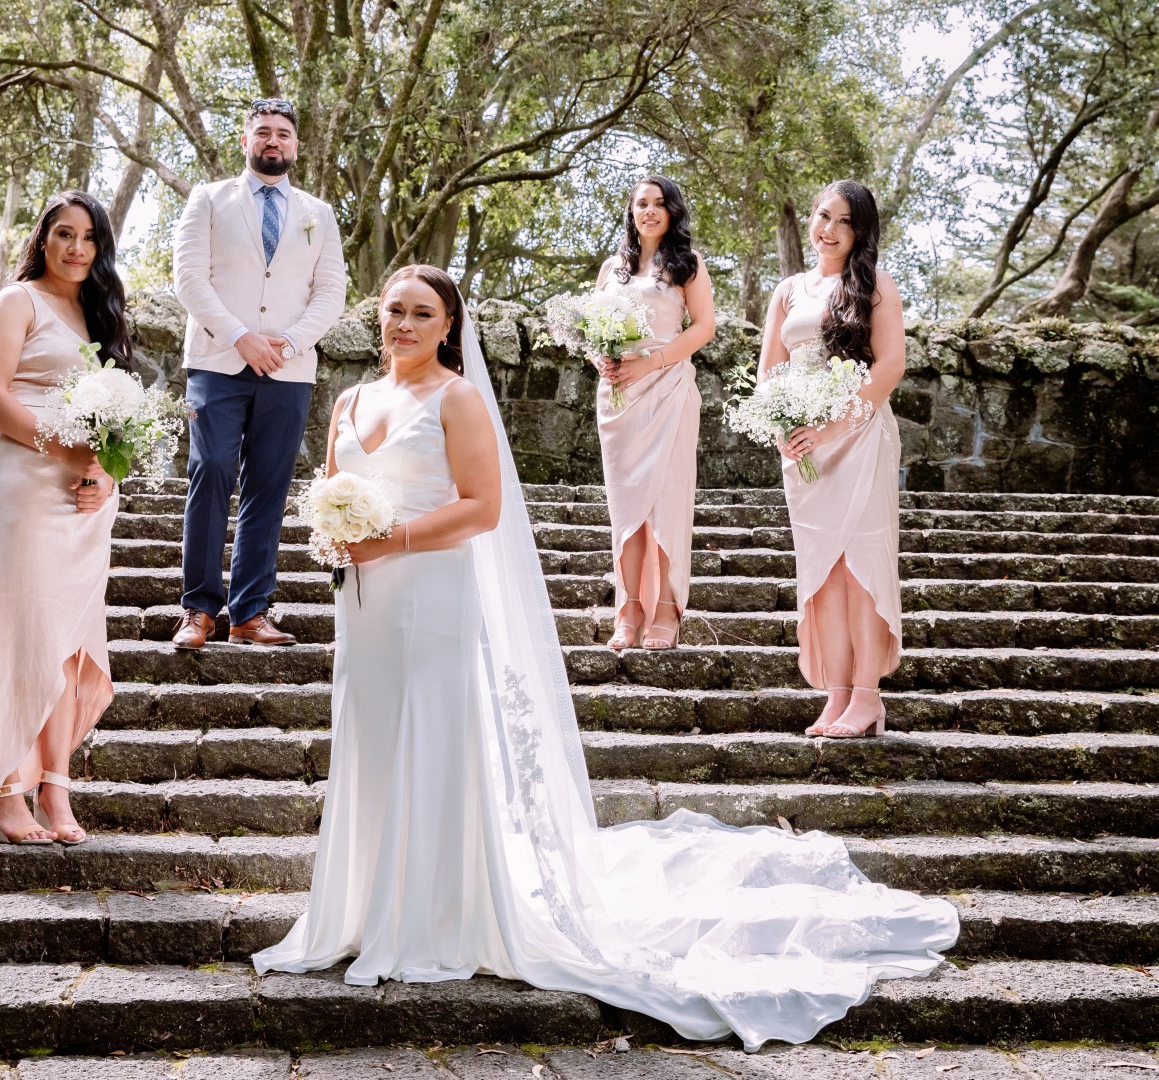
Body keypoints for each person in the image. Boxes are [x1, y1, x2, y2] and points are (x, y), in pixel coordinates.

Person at [253, 264, 957, 1052]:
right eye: (395, 311)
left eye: (423, 313)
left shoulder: (458, 398)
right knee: (369, 740)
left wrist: (392, 539)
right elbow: (331, 491)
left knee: (429, 738)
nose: (406, 325)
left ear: (449, 326)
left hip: (429, 593)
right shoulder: (349, 400)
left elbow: (483, 508)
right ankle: (355, 910)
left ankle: (427, 917)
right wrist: (336, 533)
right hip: (364, 603)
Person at [0, 191, 124, 845]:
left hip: (83, 498)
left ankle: (56, 789)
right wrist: (62, 450)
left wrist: (106, 473)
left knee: (70, 640)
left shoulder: (101, 313)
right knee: (23, 632)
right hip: (28, 480)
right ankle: (6, 789)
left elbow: (119, 423)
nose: (76, 248)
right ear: (43, 239)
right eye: (64, 233)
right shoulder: (18, 302)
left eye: (89, 237)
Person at [170, 97, 347, 650]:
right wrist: (240, 336)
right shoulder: (208, 199)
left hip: (288, 371)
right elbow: (188, 278)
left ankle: (250, 612)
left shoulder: (319, 213)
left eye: (283, 133)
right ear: (246, 140)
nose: (274, 141)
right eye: (263, 132)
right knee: (211, 471)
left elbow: (331, 291)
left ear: (296, 145)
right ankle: (199, 610)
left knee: (269, 485)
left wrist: (288, 343)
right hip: (217, 362)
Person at [759, 180, 906, 739]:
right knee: (823, 570)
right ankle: (837, 695)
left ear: (860, 232)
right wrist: (782, 427)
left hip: (859, 435)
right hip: (804, 447)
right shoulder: (788, 290)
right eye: (824, 215)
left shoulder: (876, 285)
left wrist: (832, 426)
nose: (830, 229)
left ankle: (867, 697)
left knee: (859, 565)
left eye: (845, 221)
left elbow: (890, 366)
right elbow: (770, 371)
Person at [592, 176, 716, 650]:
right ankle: (629, 607)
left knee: (666, 498)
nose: (649, 211)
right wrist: (600, 359)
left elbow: (703, 327)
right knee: (626, 503)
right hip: (619, 397)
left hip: (667, 389)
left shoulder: (688, 265)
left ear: (672, 212)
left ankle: (666, 606)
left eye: (659, 203)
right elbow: (593, 329)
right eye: (641, 203)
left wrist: (652, 362)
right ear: (631, 211)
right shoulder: (612, 268)